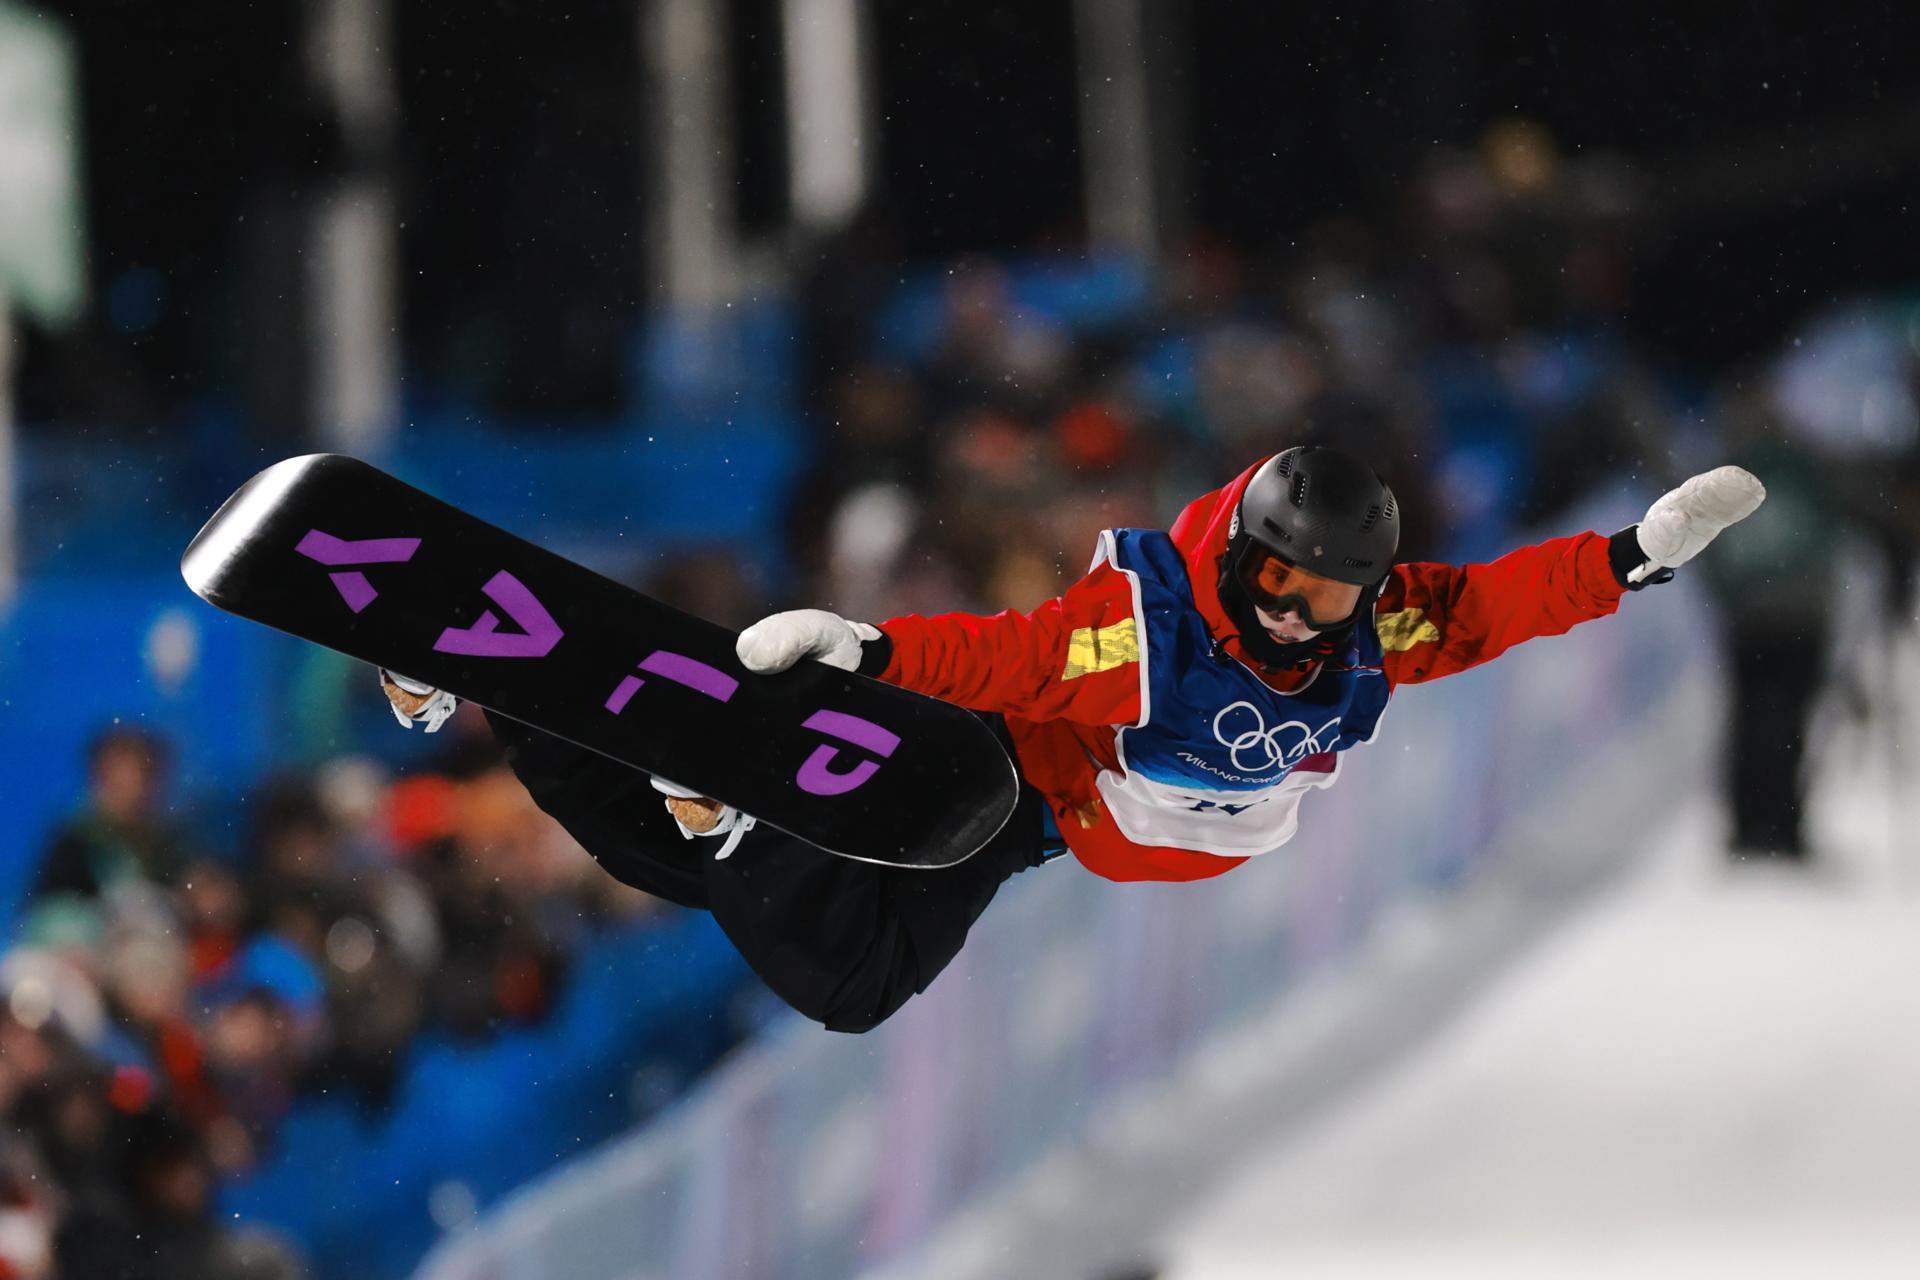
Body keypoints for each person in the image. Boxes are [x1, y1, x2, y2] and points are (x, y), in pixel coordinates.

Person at [383, 446, 1764, 1032]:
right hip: (991, 797)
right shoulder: (1155, 633)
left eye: (1329, 597)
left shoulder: (1370, 634)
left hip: (1022, 813)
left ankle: (510, 700)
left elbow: (1496, 604)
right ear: (1247, 555)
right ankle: (725, 816)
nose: (1297, 617)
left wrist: (1632, 557)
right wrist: (869, 649)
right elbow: (1019, 655)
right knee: (852, 982)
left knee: (677, 876)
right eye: (1281, 583)